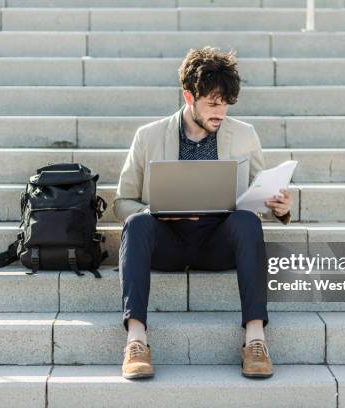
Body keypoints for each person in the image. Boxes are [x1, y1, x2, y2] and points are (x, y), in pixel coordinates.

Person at [112, 47, 292, 379]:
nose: (220, 112)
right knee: (136, 224)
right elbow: (122, 202)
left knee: (247, 222)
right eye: (212, 103)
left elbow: (260, 194)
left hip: (217, 241)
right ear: (188, 96)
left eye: (225, 104)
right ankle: (136, 340)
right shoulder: (148, 136)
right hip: (167, 239)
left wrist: (277, 206)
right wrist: (158, 211)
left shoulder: (244, 134)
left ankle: (255, 340)